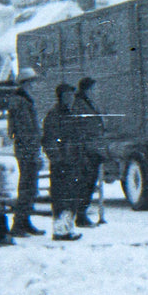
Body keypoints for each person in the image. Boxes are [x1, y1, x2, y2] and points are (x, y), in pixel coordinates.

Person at [41, 83, 83, 241]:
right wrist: (57, 158)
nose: (71, 98)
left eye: (72, 95)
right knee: (62, 197)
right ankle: (61, 231)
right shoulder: (55, 115)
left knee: (70, 196)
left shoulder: (69, 113)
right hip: (63, 162)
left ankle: (66, 228)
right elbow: (49, 139)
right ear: (61, 97)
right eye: (68, 95)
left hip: (72, 160)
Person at [7, 68, 44, 237]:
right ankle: (19, 224)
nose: (35, 85)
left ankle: (25, 221)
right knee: (27, 187)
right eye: (32, 82)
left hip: (27, 149)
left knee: (30, 187)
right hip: (27, 150)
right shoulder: (21, 102)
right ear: (26, 83)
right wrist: (34, 151)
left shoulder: (22, 101)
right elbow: (26, 130)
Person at [71, 76, 106, 228]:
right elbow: (79, 128)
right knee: (85, 183)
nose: (96, 91)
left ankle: (82, 213)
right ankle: (80, 215)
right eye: (93, 88)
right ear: (87, 90)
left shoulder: (87, 103)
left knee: (89, 183)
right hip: (86, 150)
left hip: (93, 148)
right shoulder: (79, 105)